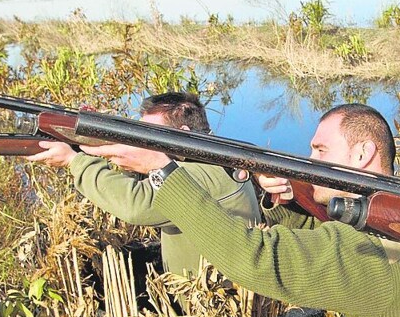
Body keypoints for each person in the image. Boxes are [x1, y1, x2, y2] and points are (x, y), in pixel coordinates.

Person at [79, 103, 400, 317]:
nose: (309, 160)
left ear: (362, 154)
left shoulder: (372, 254)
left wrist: (160, 169)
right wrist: (278, 199)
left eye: (320, 151)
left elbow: (254, 258)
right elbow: (323, 233)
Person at [26, 92, 261, 274]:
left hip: (213, 308)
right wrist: (99, 143)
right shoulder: (214, 157)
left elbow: (135, 204)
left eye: (150, 135)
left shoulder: (203, 174)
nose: (143, 142)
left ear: (183, 133)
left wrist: (74, 161)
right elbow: (148, 178)